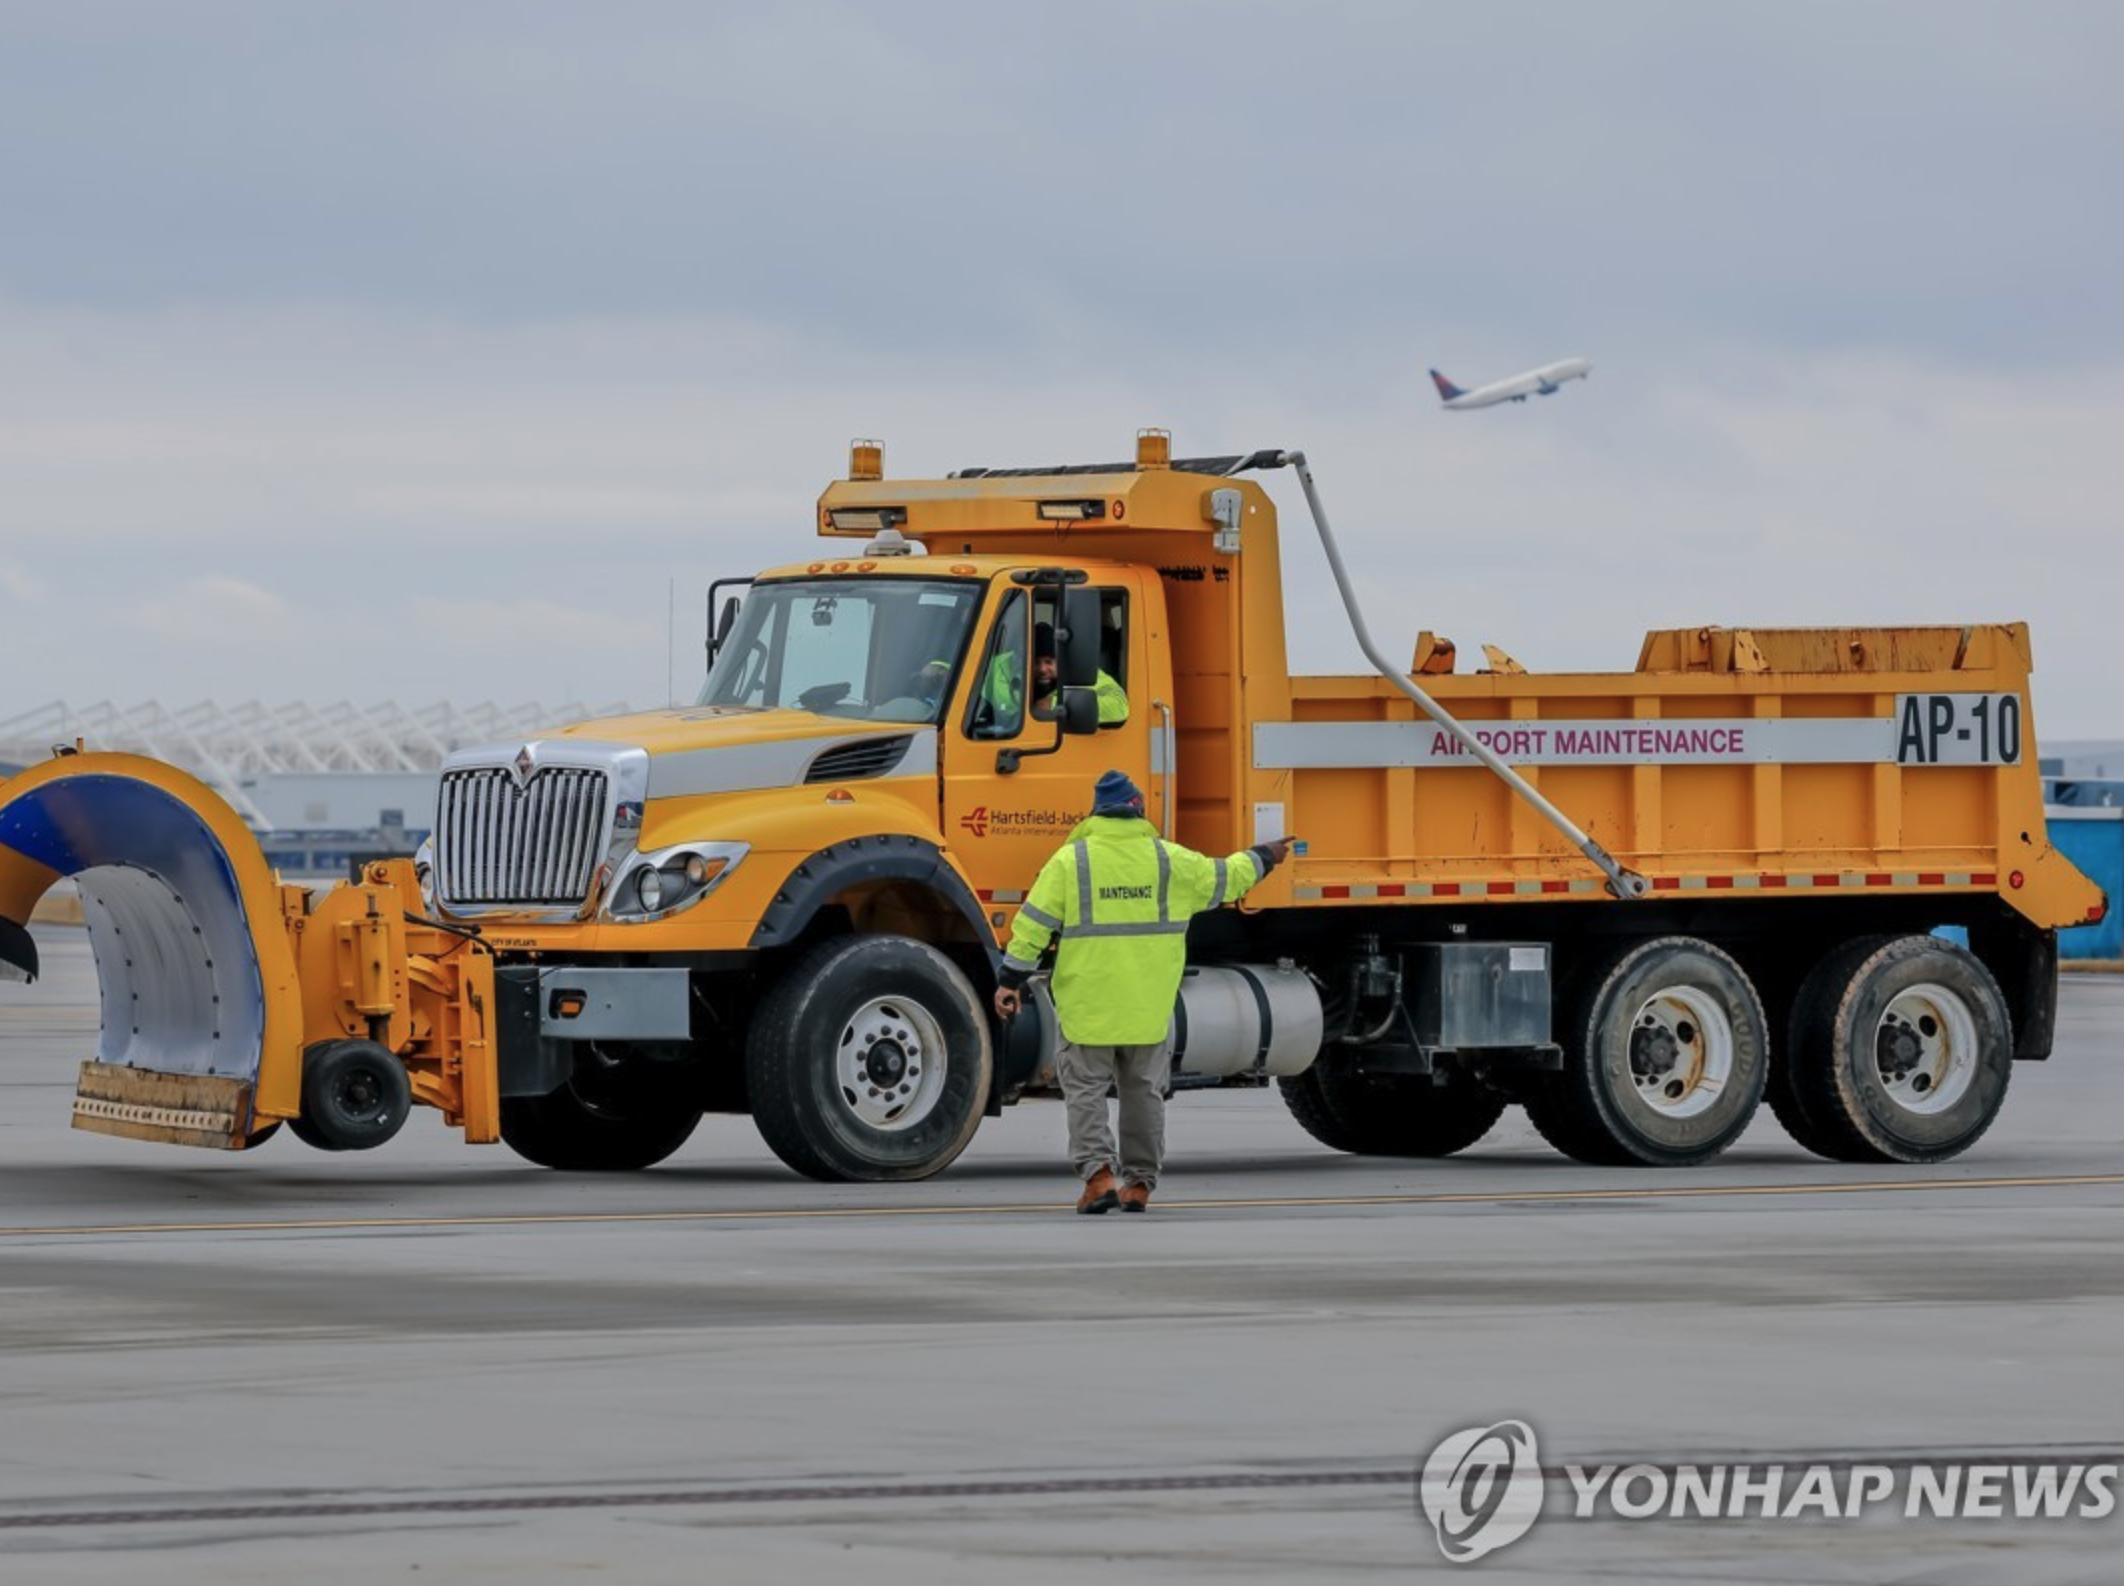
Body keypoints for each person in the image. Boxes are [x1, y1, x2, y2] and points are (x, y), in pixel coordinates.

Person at [993, 770, 1297, 1213]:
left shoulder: (1071, 862)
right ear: (1138, 811)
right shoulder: (1170, 860)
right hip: (1148, 1008)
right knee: (1143, 1095)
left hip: (1088, 1008)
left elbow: (1032, 926)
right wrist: (1265, 855)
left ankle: (1099, 1179)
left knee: (1086, 1093)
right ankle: (1138, 1184)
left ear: (1096, 814)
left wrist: (1010, 980)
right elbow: (1227, 878)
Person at [986, 623, 1129, 728]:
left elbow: (1120, 706)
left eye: (1049, 662)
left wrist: (1056, 704)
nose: (1042, 669)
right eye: (1035, 662)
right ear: (1023, 660)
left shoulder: (1080, 670)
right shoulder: (997, 668)